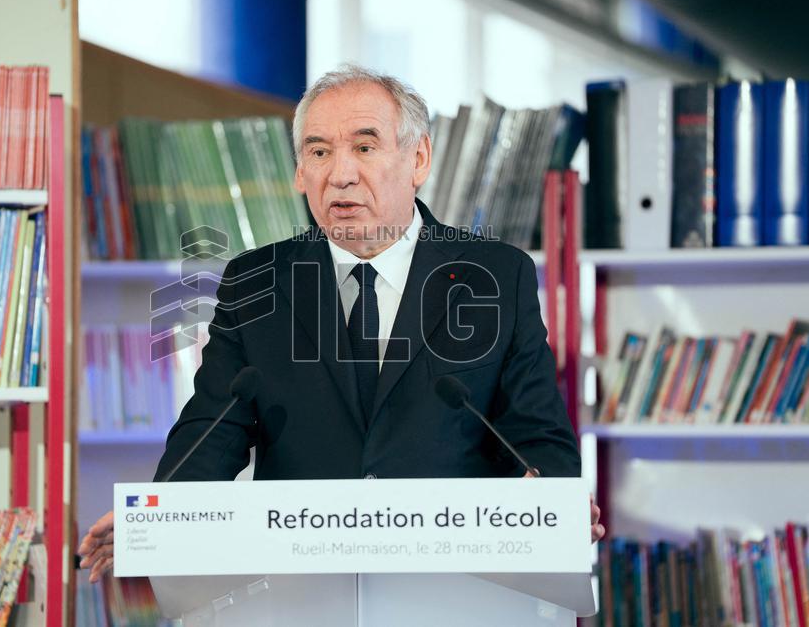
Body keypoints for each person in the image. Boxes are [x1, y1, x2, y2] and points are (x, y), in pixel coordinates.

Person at [79, 65, 604, 581]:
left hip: (452, 589)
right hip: (302, 592)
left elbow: (534, 434)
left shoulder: (495, 275)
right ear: (300, 173)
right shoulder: (256, 281)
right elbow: (212, 431)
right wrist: (156, 525)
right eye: (319, 151)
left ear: (418, 158)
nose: (340, 173)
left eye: (365, 147)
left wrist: (557, 503)